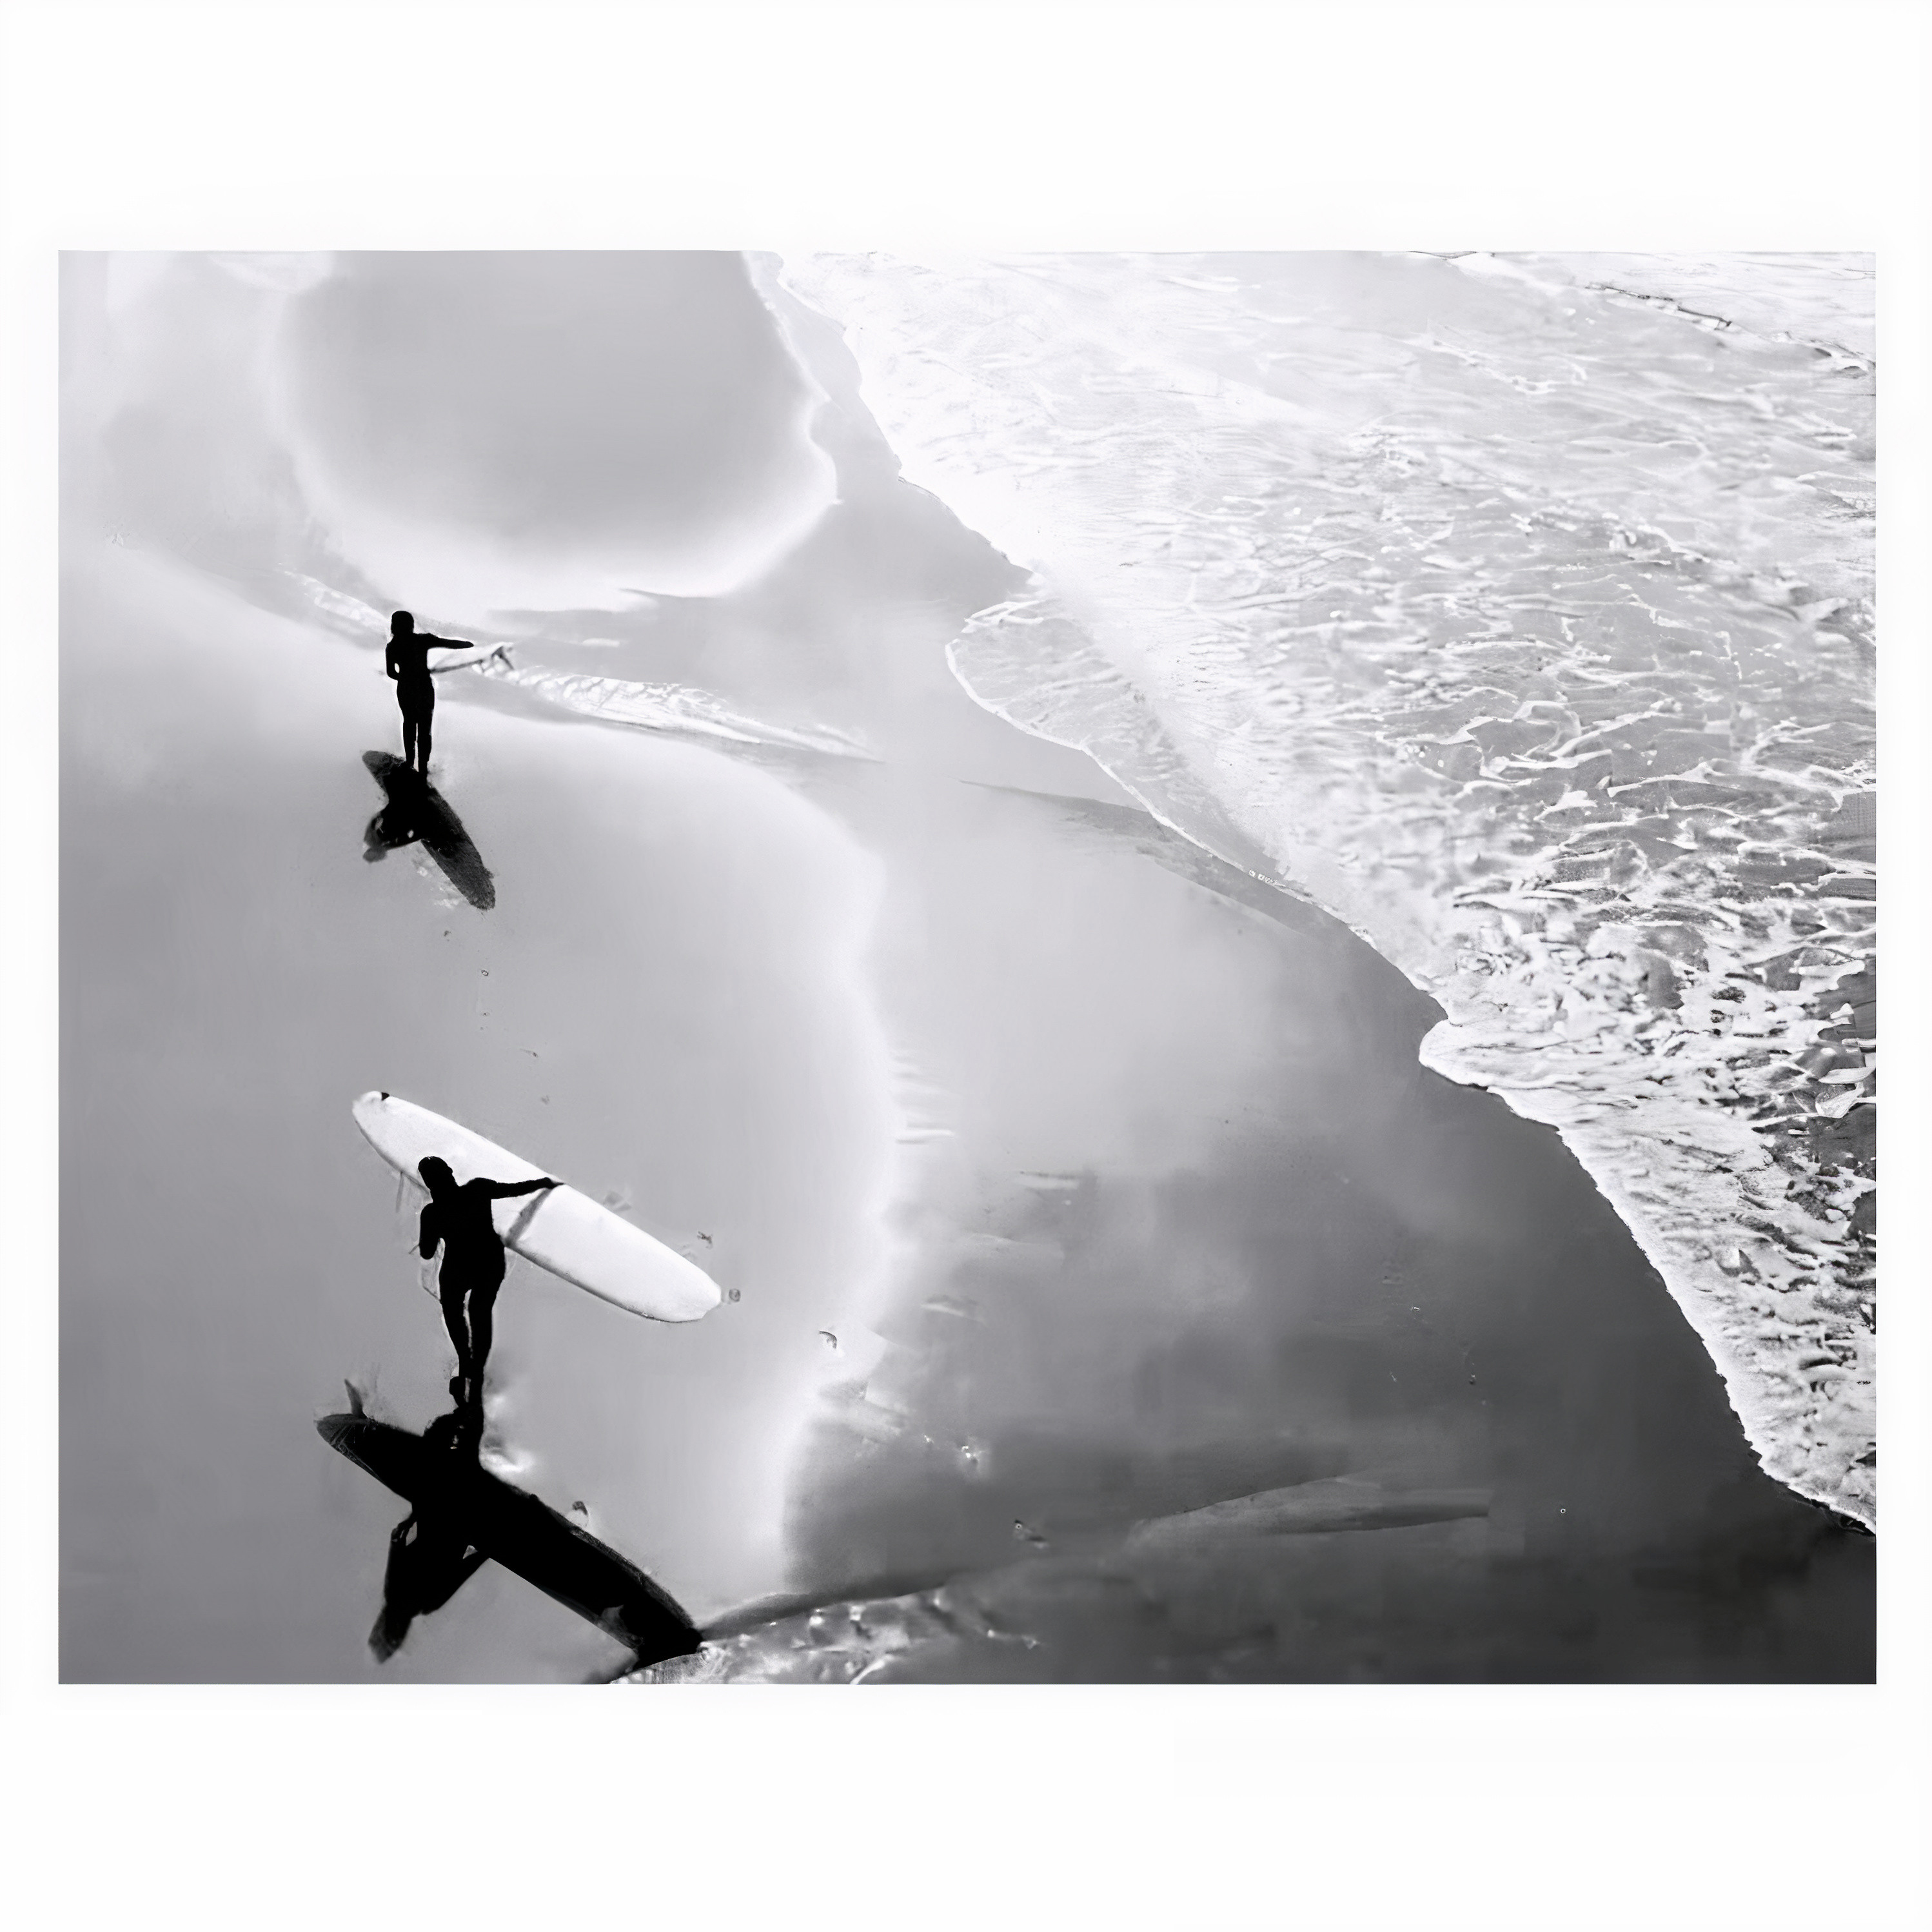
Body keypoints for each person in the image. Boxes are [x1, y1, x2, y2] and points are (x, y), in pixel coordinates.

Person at [417, 1156, 560, 1403]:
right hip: (483, 1263)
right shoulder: (477, 1188)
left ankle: (472, 1370)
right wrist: (545, 1183)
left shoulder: (433, 1213)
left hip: (482, 1265)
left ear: (430, 1184)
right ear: (449, 1173)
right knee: (462, 1307)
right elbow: (517, 1189)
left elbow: (427, 1252)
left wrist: (431, 1231)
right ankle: (469, 1367)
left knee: (472, 1309)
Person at [384, 610, 477, 776]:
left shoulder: (392, 646)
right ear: (411, 624)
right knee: (425, 727)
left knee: (409, 724)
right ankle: (423, 768)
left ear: (394, 625)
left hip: (406, 688)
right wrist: (470, 645)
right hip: (424, 687)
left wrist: (405, 676)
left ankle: (410, 763)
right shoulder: (422, 640)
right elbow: (450, 643)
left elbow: (391, 673)